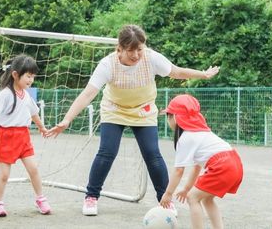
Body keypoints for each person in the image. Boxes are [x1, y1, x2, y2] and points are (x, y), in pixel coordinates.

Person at [45, 24, 220, 216]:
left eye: (139, 49)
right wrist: (67, 119)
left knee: (152, 154)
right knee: (107, 152)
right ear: (119, 49)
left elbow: (175, 72)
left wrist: (202, 74)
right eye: (130, 51)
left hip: (143, 110)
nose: (136, 55)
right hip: (114, 109)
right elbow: (88, 94)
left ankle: (165, 200)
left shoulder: (151, 58)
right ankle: (91, 196)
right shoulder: (107, 64)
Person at [0, 54, 52, 217]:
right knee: (4, 175)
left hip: (23, 137)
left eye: (33, 76)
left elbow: (34, 114)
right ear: (16, 75)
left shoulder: (27, 95)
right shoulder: (5, 94)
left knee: (34, 169)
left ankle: (40, 199)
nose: (31, 80)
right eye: (28, 76)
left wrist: (42, 128)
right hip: (7, 137)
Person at [158, 94, 243, 229]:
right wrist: (186, 188)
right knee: (207, 199)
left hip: (222, 165)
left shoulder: (186, 138)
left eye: (168, 116)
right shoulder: (201, 132)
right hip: (235, 162)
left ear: (175, 117)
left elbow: (179, 171)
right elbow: (197, 167)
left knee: (193, 198)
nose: (168, 121)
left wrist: (168, 194)